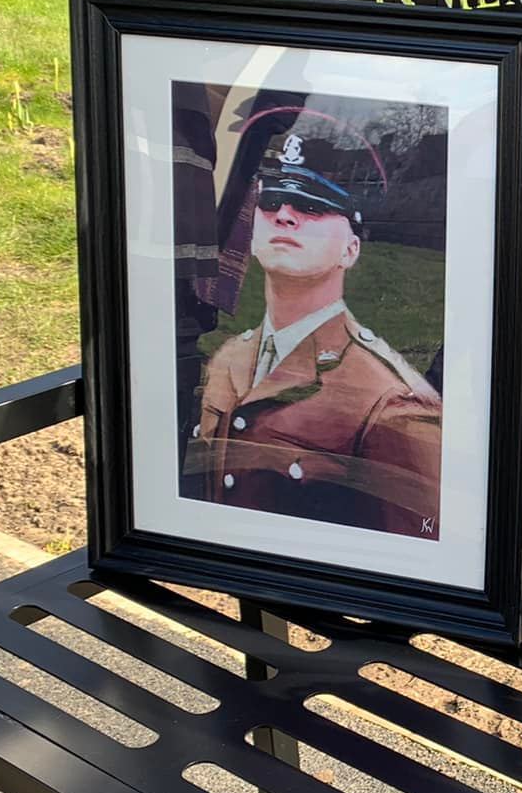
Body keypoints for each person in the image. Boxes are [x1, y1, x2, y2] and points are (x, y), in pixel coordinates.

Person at [184, 130, 443, 538]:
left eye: (311, 207)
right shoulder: (231, 358)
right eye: (270, 202)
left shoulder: (391, 400)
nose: (284, 216)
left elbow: (418, 548)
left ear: (351, 250)